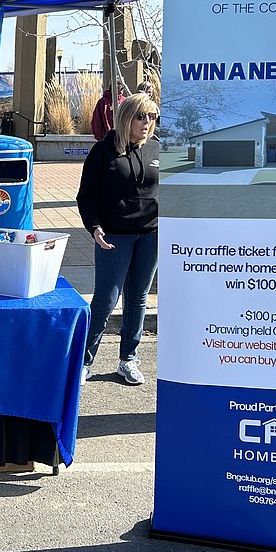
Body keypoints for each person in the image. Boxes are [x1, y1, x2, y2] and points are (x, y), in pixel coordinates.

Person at [76, 92, 160, 385]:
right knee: (106, 300)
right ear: (126, 118)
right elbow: (86, 196)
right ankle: (83, 362)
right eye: (141, 116)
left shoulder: (158, 150)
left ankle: (129, 359)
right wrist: (94, 226)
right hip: (114, 237)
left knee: (137, 299)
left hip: (151, 236)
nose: (147, 123)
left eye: (151, 117)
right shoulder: (102, 152)